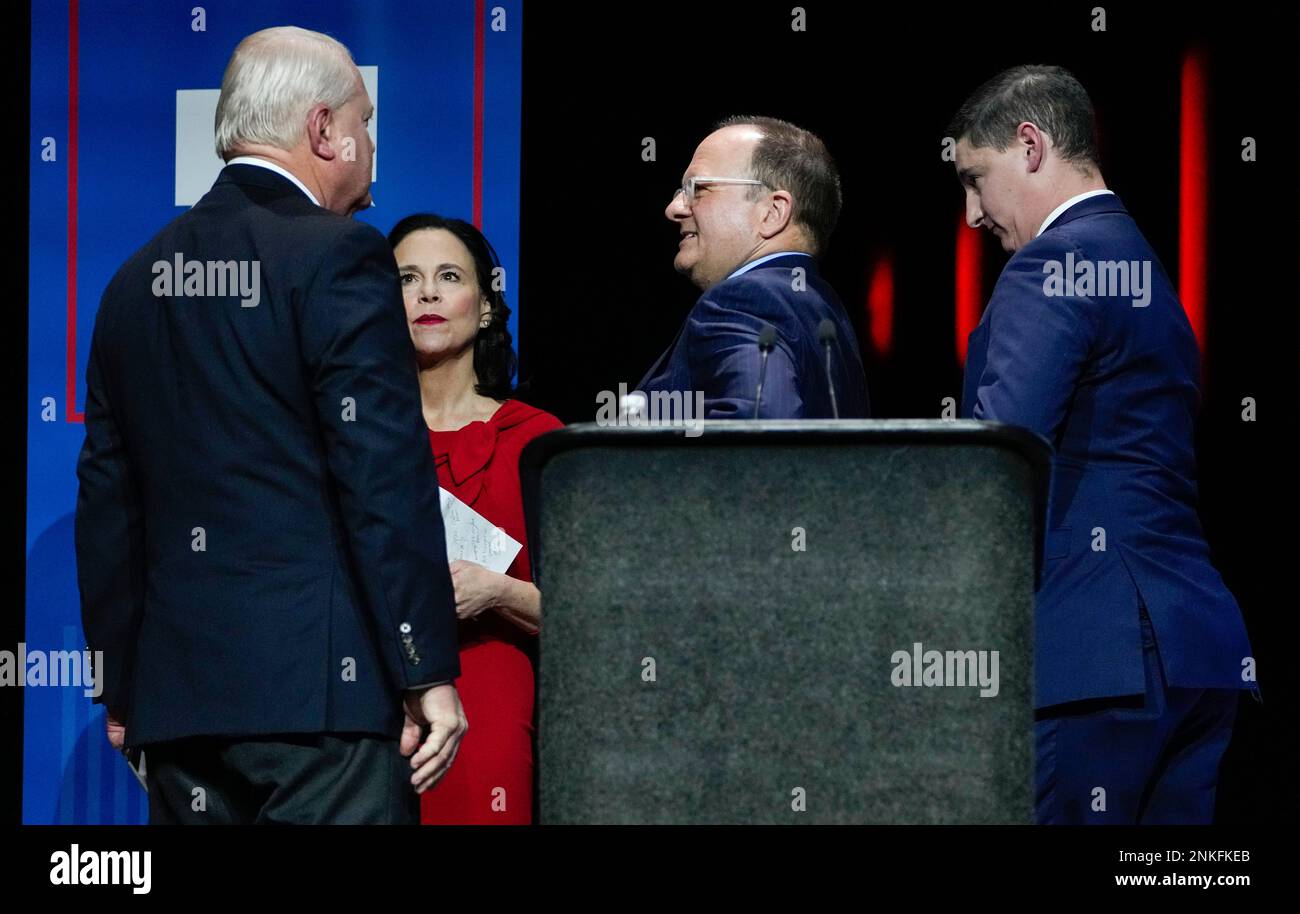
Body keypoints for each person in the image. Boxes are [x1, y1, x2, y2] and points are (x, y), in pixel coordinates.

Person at [75, 26, 466, 824]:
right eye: (365, 125)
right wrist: (425, 668)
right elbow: (380, 475)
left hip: (182, 715)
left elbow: (108, 509)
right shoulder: (341, 257)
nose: (371, 150)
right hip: (322, 705)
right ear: (324, 130)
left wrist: (124, 690)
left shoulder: (130, 283)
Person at [949, 64, 1257, 823]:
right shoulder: (1144, 268)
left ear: (1030, 146)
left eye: (975, 179)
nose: (971, 214)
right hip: (1195, 656)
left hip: (1094, 660)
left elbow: (995, 459)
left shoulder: (1048, 266)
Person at [389, 214, 562, 824]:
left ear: (486, 307)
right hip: (368, 697)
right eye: (407, 278)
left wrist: (498, 590)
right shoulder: (352, 437)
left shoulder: (538, 441)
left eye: (448, 276)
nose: (428, 292)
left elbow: (588, 614)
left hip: (491, 688)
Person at [637, 116, 870, 420]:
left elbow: (761, 439)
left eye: (697, 188)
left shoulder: (745, 301)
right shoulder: (825, 311)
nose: (674, 208)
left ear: (773, 212)